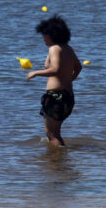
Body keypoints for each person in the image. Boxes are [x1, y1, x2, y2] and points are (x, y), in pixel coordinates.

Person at [26, 15, 82, 147]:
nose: (43, 38)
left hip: (56, 97)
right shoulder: (68, 48)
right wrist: (70, 79)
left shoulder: (54, 49)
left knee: (51, 134)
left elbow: (55, 69)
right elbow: (78, 67)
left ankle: (57, 163)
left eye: (44, 35)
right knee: (55, 133)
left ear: (51, 35)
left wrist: (35, 73)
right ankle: (60, 161)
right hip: (68, 96)